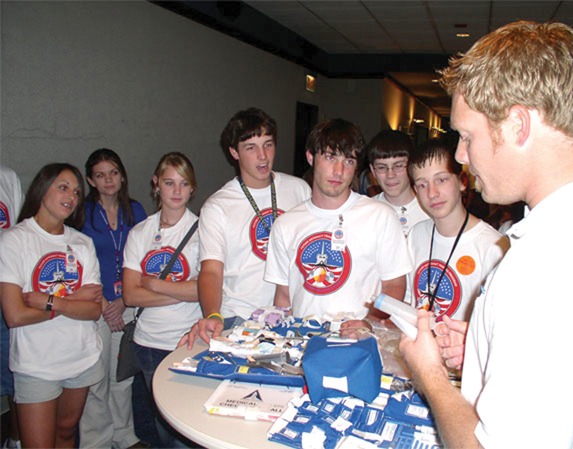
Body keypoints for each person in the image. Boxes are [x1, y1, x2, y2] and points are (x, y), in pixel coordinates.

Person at [398, 21, 573, 448]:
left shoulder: (540, 269)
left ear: (518, 125)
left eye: (467, 136)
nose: (460, 155)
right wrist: (485, 349)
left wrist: (430, 375)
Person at [264, 118, 412, 337]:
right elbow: (284, 296)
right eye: (330, 157)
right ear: (310, 157)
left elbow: (394, 285)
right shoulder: (286, 224)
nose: (339, 170)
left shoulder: (380, 216)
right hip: (303, 342)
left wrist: (369, 322)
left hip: (358, 342)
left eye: (349, 161)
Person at [180, 107, 310, 347]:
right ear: (234, 152)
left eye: (268, 145)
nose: (263, 156)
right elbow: (211, 270)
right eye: (251, 148)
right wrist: (213, 314)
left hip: (292, 315)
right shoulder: (218, 206)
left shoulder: (299, 189)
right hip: (241, 317)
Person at [0, 163, 103, 448]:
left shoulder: (82, 243)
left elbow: (94, 310)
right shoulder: (13, 241)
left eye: (77, 192)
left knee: (66, 432)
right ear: (42, 189)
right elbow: (15, 315)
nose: (72, 196)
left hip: (81, 357)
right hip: (37, 365)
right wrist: (73, 301)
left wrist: (50, 302)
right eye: (63, 187)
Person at [122, 152, 201, 448]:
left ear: (192, 188)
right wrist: (182, 290)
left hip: (188, 342)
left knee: (186, 425)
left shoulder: (203, 231)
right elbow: (130, 295)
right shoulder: (140, 232)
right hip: (148, 343)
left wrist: (155, 284)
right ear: (156, 184)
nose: (177, 191)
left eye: (184, 183)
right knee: (161, 427)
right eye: (169, 183)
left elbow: (203, 291)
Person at [79, 149, 147, 449]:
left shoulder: (135, 210)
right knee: (96, 378)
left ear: (122, 175)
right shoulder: (82, 214)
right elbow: (78, 265)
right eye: (100, 175)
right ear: (90, 180)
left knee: (123, 376)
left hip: (127, 304)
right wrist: (106, 305)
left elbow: (146, 258)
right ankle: (96, 441)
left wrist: (124, 301)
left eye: (114, 173)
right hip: (96, 307)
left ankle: (124, 434)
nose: (108, 180)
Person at [405, 137, 509, 322]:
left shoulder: (493, 246)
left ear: (462, 181)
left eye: (441, 180)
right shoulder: (416, 234)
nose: (432, 193)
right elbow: (408, 300)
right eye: (422, 185)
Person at [367, 129, 429, 235]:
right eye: (382, 167)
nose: (390, 175)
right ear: (373, 171)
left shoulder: (429, 209)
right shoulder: (367, 212)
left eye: (399, 166)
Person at [0, 165, 23, 449]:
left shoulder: (7, 178)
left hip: (6, 288)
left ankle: (16, 440)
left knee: (13, 373)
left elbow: (17, 232)